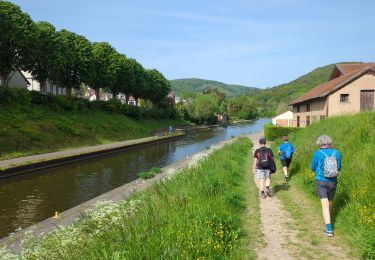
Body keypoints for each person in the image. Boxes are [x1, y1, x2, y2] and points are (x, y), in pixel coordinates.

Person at [310, 135, 341, 237]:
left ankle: (328, 229)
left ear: (320, 144)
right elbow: (339, 167)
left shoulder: (317, 153)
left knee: (324, 203)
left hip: (320, 180)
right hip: (333, 181)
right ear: (330, 143)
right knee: (329, 202)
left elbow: (312, 167)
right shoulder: (336, 153)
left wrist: (319, 170)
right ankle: (328, 221)